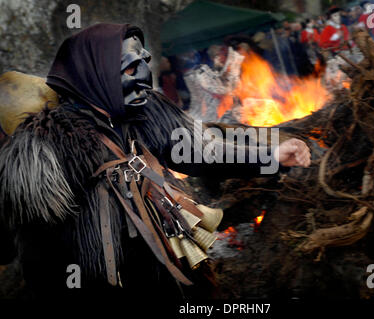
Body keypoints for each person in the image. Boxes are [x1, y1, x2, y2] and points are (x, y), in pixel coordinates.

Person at [0, 23, 311, 299]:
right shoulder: (44, 147)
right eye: (131, 69)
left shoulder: (147, 114)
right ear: (95, 73)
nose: (146, 79)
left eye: (145, 63)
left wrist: (270, 155)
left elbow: (200, 151)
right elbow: (33, 248)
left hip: (164, 276)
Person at [184, 44, 244, 122]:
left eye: (225, 55)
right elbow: (221, 91)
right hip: (205, 120)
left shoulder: (217, 73)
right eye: (219, 55)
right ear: (213, 57)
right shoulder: (200, 73)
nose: (223, 59)